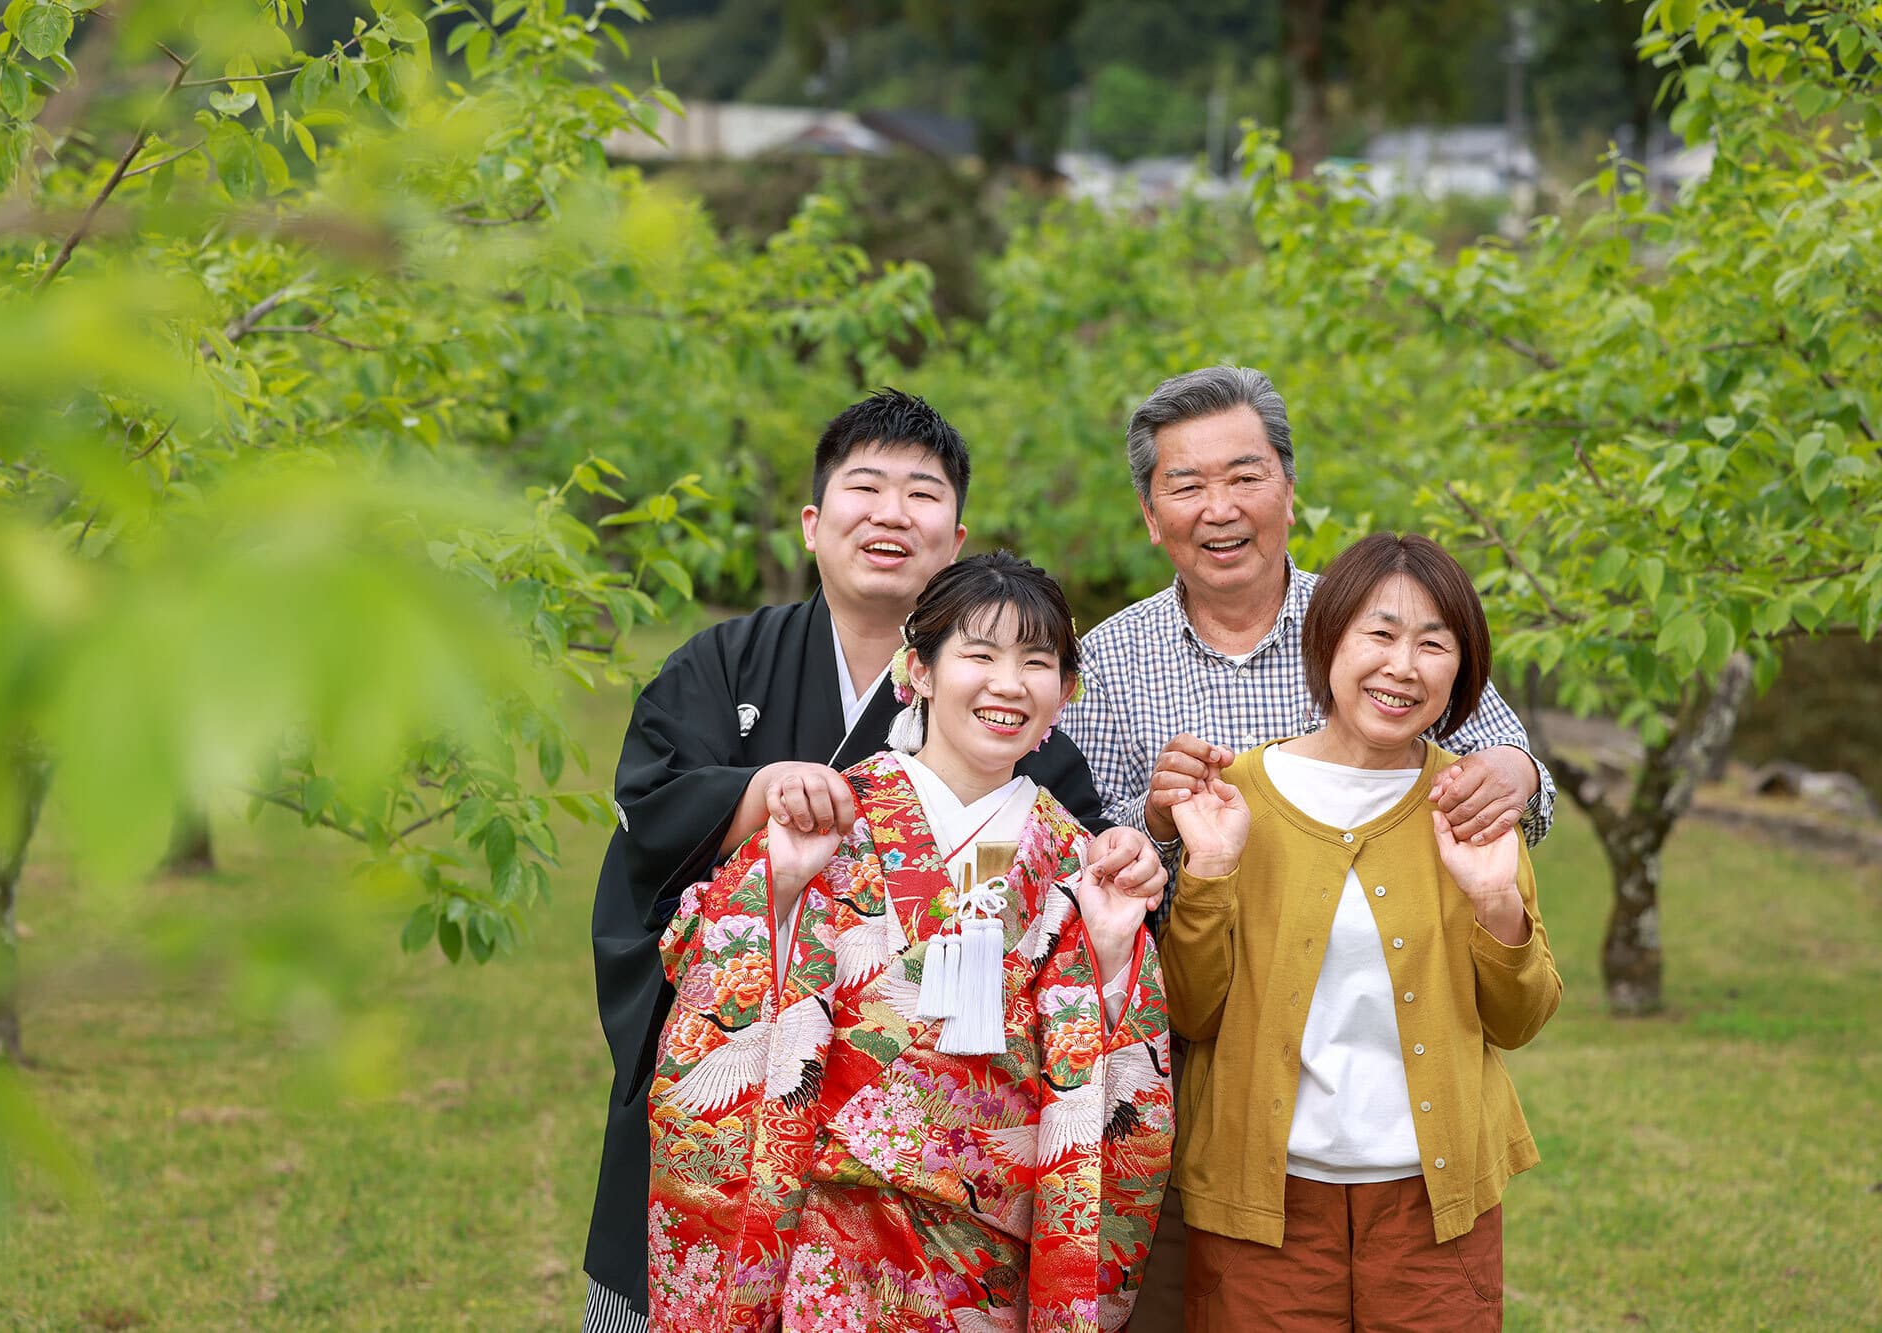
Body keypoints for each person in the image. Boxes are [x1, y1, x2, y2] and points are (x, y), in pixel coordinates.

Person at [584, 391, 1165, 1332]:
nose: (893, 513)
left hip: (986, 1230)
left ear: (957, 532)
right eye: (867, 486)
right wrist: (767, 831)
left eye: (922, 494)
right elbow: (654, 836)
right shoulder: (721, 663)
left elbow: (1102, 984)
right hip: (803, 1197)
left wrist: (1115, 928)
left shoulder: (1042, 780)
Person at [1057, 365, 1557, 1330]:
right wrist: (1166, 831)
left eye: (1245, 475)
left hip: (1413, 1136)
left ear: (1289, 487)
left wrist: (1521, 774)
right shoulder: (1111, 659)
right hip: (1199, 1081)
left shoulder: (1377, 613)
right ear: (1150, 514)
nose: (1220, 508)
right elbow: (1089, 852)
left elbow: (1492, 755)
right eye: (1186, 485)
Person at [1156, 531, 1562, 1329]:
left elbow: (1521, 1020)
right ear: (1329, 637)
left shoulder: (1472, 801)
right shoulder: (1236, 794)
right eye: (1379, 632)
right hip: (1262, 1210)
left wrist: (1496, 904)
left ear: (1462, 669)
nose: (1402, 666)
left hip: (1433, 1212)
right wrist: (1206, 870)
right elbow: (1191, 1011)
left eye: (1432, 643)